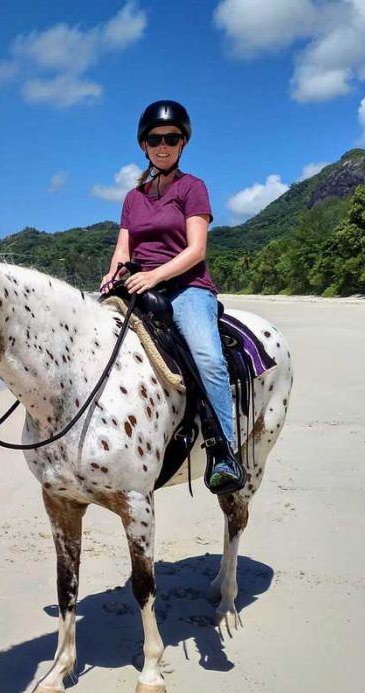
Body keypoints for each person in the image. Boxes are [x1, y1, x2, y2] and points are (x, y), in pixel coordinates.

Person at [100, 99, 244, 494]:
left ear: (183, 143)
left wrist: (154, 276)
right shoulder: (133, 197)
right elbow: (122, 249)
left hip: (187, 288)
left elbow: (196, 250)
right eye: (155, 139)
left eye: (171, 138)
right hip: (139, 284)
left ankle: (224, 451)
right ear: (143, 145)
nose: (163, 145)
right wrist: (113, 276)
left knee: (208, 358)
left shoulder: (192, 188)